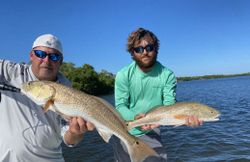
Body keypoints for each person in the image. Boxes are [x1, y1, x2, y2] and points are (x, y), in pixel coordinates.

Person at [112, 28, 202, 162]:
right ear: (132, 52)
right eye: (139, 49)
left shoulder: (167, 75)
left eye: (149, 47)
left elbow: (169, 106)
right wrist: (135, 118)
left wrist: (185, 119)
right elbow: (120, 106)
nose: (145, 52)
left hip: (152, 130)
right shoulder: (123, 75)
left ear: (156, 48)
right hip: (123, 130)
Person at [0, 34, 94, 162]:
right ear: (31, 55)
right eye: (40, 53)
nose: (46, 60)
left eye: (54, 56)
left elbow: (69, 140)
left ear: (60, 61)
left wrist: (75, 132)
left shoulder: (67, 89)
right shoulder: (10, 71)